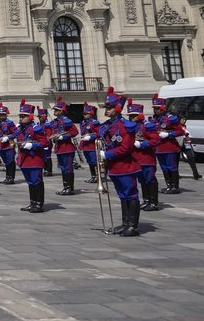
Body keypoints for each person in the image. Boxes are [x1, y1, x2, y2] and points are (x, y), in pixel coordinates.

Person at [99, 90, 143, 236]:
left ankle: (132, 226)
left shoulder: (126, 126)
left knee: (131, 195)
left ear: (117, 108)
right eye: (106, 107)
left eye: (110, 107)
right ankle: (125, 223)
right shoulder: (107, 126)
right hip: (114, 167)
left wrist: (108, 154)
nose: (107, 110)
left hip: (126, 166)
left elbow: (126, 147)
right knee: (122, 195)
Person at [15, 101, 47, 214]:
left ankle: (39, 204)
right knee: (30, 182)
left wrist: (32, 145)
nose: (21, 118)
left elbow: (44, 143)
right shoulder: (20, 128)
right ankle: (32, 202)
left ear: (30, 117)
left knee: (36, 181)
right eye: (20, 116)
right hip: (24, 159)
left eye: (24, 116)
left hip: (34, 159)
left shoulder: (36, 128)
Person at [152, 95, 185, 195]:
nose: (155, 110)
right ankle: (169, 186)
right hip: (159, 148)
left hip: (169, 147)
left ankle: (175, 187)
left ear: (162, 108)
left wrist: (168, 134)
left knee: (172, 167)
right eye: (154, 108)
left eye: (157, 108)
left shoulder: (171, 119)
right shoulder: (153, 119)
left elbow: (180, 131)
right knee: (164, 167)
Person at [48, 97, 79, 196]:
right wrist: (54, 138)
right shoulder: (54, 122)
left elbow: (74, 132)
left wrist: (63, 137)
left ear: (62, 111)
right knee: (63, 168)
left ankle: (70, 188)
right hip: (59, 148)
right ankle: (65, 187)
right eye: (55, 110)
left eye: (57, 110)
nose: (55, 111)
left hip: (67, 148)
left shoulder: (66, 121)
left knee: (68, 168)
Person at [0, 103, 17, 184]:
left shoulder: (10, 123)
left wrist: (8, 137)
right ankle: (7, 177)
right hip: (1, 146)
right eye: (0, 114)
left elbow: (15, 133)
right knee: (6, 162)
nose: (1, 116)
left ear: (6, 115)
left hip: (8, 145)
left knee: (10, 162)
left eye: (3, 114)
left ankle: (11, 178)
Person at [77, 103, 101, 183]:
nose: (84, 115)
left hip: (92, 146)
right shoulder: (82, 122)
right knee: (89, 162)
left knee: (94, 162)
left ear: (91, 113)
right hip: (85, 146)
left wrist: (90, 137)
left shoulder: (94, 123)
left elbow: (99, 133)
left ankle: (97, 176)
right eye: (83, 113)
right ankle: (93, 176)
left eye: (86, 113)